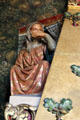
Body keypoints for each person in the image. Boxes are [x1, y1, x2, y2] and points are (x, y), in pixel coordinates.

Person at [10, 22, 56, 95]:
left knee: (45, 64)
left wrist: (45, 35)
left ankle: (38, 91)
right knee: (14, 68)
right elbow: (18, 66)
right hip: (25, 73)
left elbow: (53, 47)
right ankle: (19, 93)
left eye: (40, 30)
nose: (37, 31)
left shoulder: (44, 46)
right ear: (30, 32)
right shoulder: (23, 51)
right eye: (35, 29)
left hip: (39, 70)